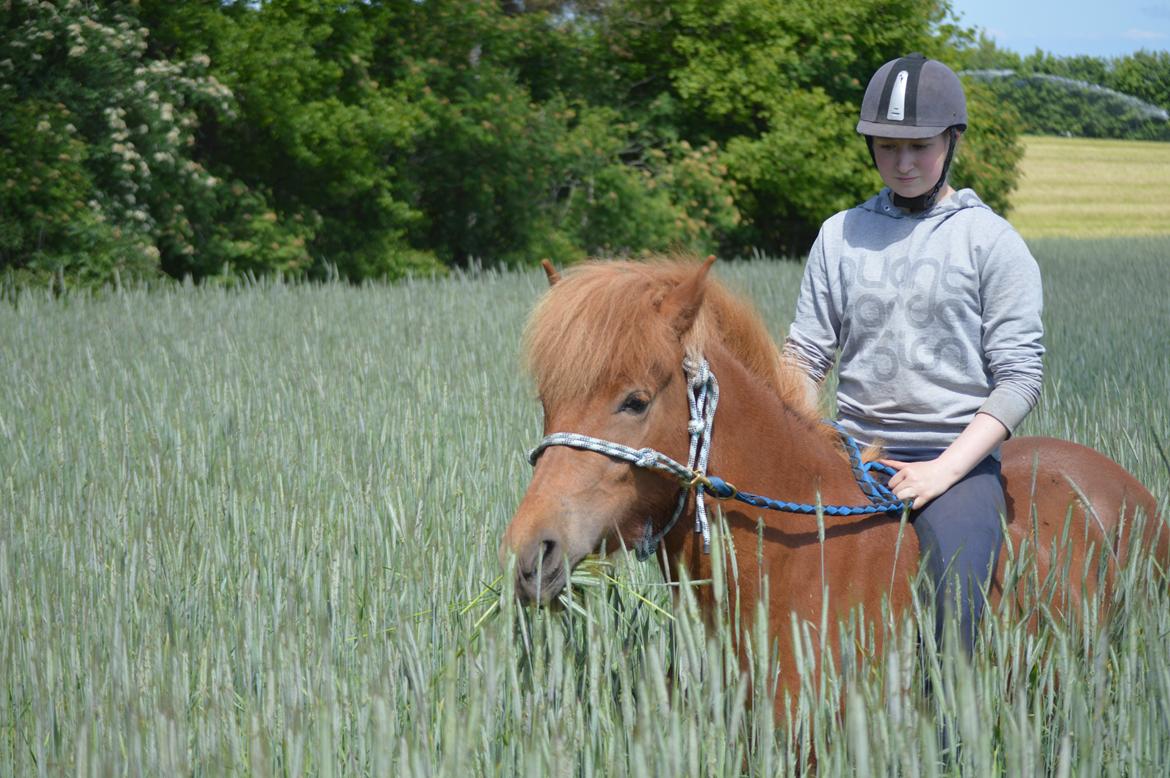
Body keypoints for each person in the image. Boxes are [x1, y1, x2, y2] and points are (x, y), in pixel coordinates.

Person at [782, 53, 1045, 652]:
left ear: (952, 140)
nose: (902, 163)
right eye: (885, 146)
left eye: (919, 146)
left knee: (956, 590)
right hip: (850, 453)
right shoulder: (838, 234)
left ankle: (949, 734)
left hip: (952, 461)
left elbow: (1019, 379)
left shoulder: (990, 241)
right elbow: (805, 355)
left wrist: (943, 470)